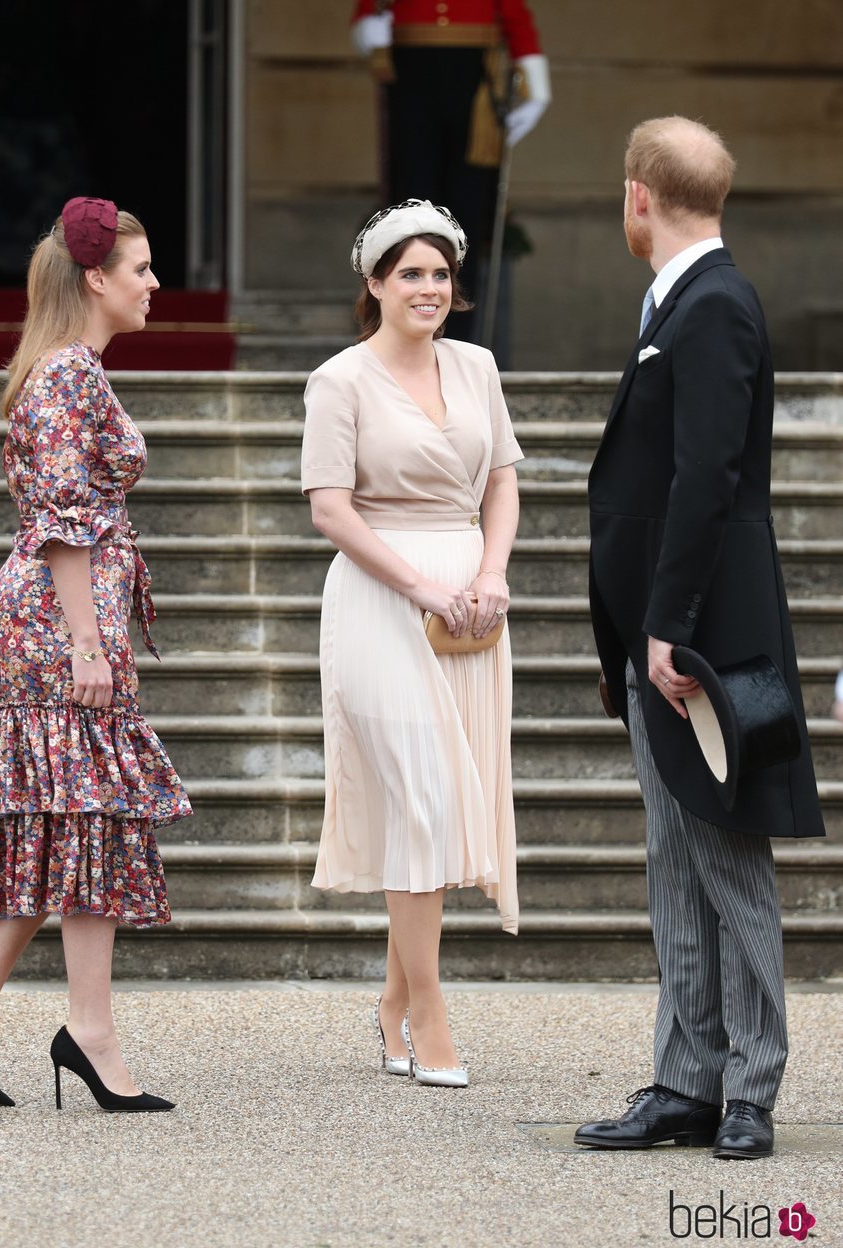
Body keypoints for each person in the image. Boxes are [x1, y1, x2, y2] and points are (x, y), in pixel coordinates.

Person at [0, 198, 193, 1113]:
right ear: (96, 278)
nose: (155, 285)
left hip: (60, 612)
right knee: (90, 813)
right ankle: (89, 1031)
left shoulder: (69, 372)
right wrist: (86, 641)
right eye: (142, 269)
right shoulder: (67, 376)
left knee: (64, 814)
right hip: (57, 616)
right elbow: (67, 522)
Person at [576, 118, 825, 1159]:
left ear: (639, 196)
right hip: (658, 632)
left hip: (698, 635)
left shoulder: (711, 305)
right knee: (673, 860)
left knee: (727, 858)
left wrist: (669, 628)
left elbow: (705, 479)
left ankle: (748, 1089)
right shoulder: (679, 301)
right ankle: (684, 1081)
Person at [301, 199, 522, 1086]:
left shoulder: (477, 367)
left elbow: (502, 483)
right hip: (380, 602)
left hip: (473, 603)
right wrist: (423, 584)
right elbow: (329, 508)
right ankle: (430, 1016)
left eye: (439, 274)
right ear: (375, 284)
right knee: (423, 800)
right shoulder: (339, 381)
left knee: (439, 808)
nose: (428, 289)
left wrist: (493, 573)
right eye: (410, 275)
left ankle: (394, 1002)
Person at [351, 1, 550, 342]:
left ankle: (459, 336)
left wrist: (536, 85)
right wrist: (369, 27)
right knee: (409, 211)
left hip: (472, 81)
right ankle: (404, 332)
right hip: (412, 76)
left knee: (467, 216)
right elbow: (369, 11)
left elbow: (513, 14)